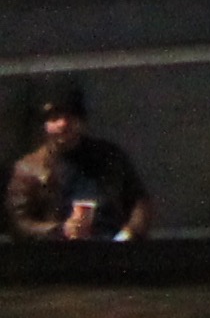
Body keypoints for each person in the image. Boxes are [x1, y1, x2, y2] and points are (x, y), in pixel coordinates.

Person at [5, 83, 150, 241]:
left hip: (112, 248)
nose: (63, 124)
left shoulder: (109, 157)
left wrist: (128, 234)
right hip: (59, 256)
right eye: (55, 119)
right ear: (45, 126)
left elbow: (138, 201)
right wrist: (60, 230)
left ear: (82, 121)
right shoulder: (28, 169)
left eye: (70, 117)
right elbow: (18, 223)